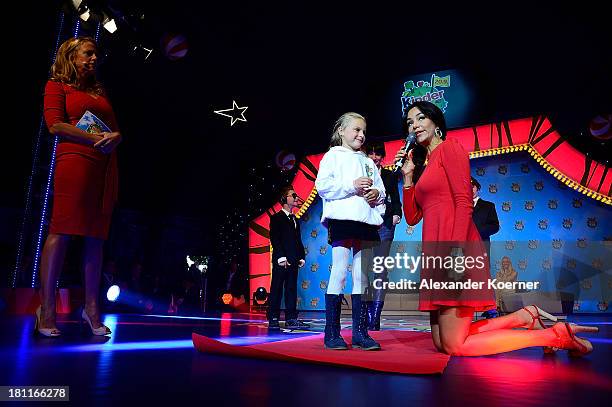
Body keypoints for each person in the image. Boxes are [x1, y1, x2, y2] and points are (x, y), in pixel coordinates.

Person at [394, 100, 597, 356]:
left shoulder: (450, 148)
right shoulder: (424, 166)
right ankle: (523, 317)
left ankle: (553, 335)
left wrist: (456, 252)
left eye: (421, 118)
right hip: (435, 253)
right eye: (410, 122)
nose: (415, 125)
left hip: (455, 248)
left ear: (436, 122)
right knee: (441, 343)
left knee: (455, 345)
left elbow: (464, 201)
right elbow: (412, 217)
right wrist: (409, 178)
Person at [36, 37, 121, 337]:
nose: (94, 58)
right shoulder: (57, 85)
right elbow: (55, 125)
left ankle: (91, 308)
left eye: (96, 53)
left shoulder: (99, 91)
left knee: (96, 237)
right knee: (61, 231)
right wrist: (96, 138)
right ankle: (46, 309)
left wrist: (116, 137)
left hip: (102, 166)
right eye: (88, 53)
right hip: (74, 161)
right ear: (71, 57)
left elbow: (112, 128)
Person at [315, 112, 386, 350]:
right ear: (341, 131)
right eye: (356, 130)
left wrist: (377, 195)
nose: (361, 134)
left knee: (362, 275)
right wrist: (351, 185)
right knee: (339, 272)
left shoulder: (367, 161)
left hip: (365, 220)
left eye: (363, 131)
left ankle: (360, 333)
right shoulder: (332, 157)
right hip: (343, 219)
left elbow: (381, 191)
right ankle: (332, 333)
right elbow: (323, 187)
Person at [364, 141, 402, 330]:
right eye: (370, 153)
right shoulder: (359, 175)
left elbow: (396, 199)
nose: (374, 157)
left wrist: (397, 214)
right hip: (364, 225)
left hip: (385, 225)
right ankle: (367, 311)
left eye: (377, 154)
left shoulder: (388, 175)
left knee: (380, 269)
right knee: (362, 270)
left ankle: (376, 316)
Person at [268, 186, 309, 329]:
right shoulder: (276, 218)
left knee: (291, 289)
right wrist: (280, 257)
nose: (296, 197)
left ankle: (291, 318)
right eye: (293, 195)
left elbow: (298, 240)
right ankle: (273, 317)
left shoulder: (295, 219)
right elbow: (275, 239)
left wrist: (301, 256)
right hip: (281, 260)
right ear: (285, 199)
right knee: (277, 288)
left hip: (293, 259)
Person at [470, 176, 500, 318]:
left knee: (483, 277)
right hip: (462, 247)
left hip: (481, 244)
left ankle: (491, 309)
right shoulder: (460, 206)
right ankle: (465, 308)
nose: (470, 189)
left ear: (477, 188)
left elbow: (495, 226)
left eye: (473, 186)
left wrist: (478, 232)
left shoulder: (488, 206)